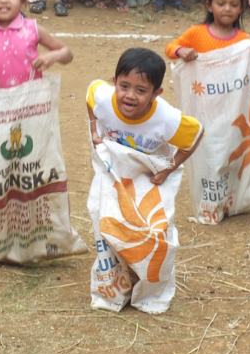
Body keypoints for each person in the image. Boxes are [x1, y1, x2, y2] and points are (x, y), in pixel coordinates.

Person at [85, 47, 203, 313]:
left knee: (154, 229)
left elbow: (195, 136)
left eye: (141, 90)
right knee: (105, 221)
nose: (130, 95)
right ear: (113, 82)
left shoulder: (167, 119)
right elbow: (90, 96)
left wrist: (169, 169)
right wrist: (94, 127)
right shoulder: (103, 97)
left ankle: (150, 290)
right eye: (124, 86)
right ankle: (115, 285)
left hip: (150, 174)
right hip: (114, 170)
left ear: (156, 93)